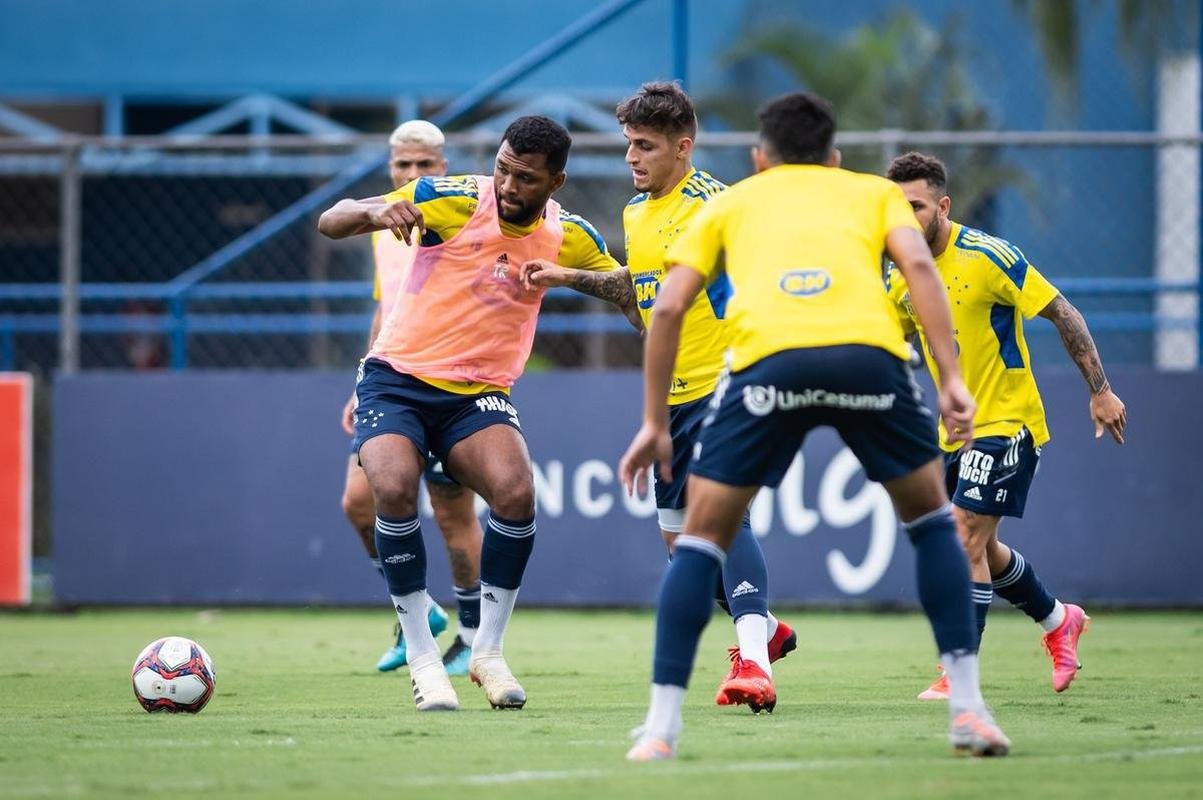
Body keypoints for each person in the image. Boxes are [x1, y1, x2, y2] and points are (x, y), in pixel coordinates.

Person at [618, 92, 1010, 760]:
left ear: (758, 157)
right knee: (930, 524)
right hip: (868, 360)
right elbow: (919, 269)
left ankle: (660, 728)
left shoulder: (729, 201)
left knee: (699, 539)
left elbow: (669, 308)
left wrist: (654, 421)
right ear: (832, 158)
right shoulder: (872, 194)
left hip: (767, 364)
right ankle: (968, 710)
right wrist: (949, 379)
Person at [319, 115, 638, 712]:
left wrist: (574, 278)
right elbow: (330, 219)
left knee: (516, 494)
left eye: (526, 179)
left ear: (556, 181)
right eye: (503, 169)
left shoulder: (571, 236)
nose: (509, 186)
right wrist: (371, 212)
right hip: (397, 378)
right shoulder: (452, 199)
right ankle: (421, 657)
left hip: (477, 393)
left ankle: (486, 653)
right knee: (389, 485)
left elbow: (634, 300)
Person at [523, 82, 796, 712]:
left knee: (721, 519)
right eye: (627, 146)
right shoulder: (637, 212)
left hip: (730, 379)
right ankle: (766, 628)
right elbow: (639, 291)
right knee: (685, 545)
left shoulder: (720, 206)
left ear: (684, 146)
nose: (631, 159)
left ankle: (755, 663)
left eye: (644, 146)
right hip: (672, 396)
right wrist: (568, 276)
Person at [883, 151, 1126, 699]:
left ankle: (959, 671)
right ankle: (1059, 620)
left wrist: (1100, 391)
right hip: (956, 433)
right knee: (983, 549)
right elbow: (890, 336)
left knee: (963, 534)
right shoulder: (899, 275)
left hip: (1009, 420)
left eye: (915, 207)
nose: (904, 219)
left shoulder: (988, 256)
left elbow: (1063, 312)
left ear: (942, 205)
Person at [338, 120, 482, 677]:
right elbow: (386, 307)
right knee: (357, 502)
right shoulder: (380, 226)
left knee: (451, 512)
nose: (414, 175)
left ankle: (471, 634)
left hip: (449, 382)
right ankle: (417, 609)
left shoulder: (461, 219)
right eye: (404, 166)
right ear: (390, 168)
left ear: (442, 168)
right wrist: (362, 376)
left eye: (425, 165)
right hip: (389, 380)